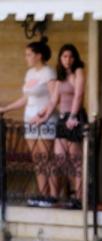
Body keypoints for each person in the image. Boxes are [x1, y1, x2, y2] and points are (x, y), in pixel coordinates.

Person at [0, 37, 57, 207]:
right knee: (37, 159)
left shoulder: (49, 72)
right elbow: (25, 98)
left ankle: (53, 195)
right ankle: (42, 194)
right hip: (29, 119)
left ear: (38, 56)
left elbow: (54, 98)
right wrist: (5, 109)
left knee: (46, 157)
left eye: (29, 54)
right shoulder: (30, 73)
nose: (26, 57)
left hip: (44, 120)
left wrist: (43, 115)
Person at [52, 44, 87, 209]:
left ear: (75, 58)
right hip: (62, 117)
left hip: (74, 117)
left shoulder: (78, 71)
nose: (68, 60)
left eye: (71, 56)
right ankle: (71, 191)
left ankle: (80, 197)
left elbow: (79, 95)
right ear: (60, 58)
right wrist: (42, 116)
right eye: (64, 56)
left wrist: (72, 116)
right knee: (59, 158)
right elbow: (54, 100)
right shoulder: (60, 74)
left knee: (75, 159)